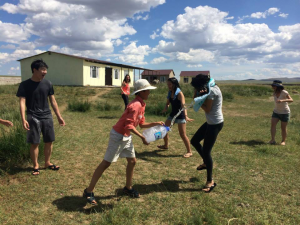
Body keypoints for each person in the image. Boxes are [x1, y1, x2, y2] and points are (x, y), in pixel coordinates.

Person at [83, 79, 164, 205]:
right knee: (106, 163)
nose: (149, 92)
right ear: (141, 92)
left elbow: (141, 125)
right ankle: (89, 191)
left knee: (132, 161)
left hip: (126, 137)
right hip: (118, 136)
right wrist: (142, 138)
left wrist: (156, 123)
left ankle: (128, 188)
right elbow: (129, 126)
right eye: (147, 90)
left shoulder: (142, 104)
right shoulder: (135, 105)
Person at [16, 59, 65, 176]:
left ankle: (47, 162)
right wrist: (23, 118)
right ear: (34, 70)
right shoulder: (24, 85)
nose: (45, 72)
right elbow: (22, 102)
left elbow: (53, 101)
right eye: (42, 69)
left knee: (49, 141)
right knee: (35, 142)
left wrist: (59, 116)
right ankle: (36, 165)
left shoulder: (48, 83)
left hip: (47, 115)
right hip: (33, 116)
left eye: (46, 70)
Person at [190, 74, 223, 193]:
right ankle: (205, 162)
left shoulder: (212, 91)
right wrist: (199, 95)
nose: (197, 90)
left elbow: (207, 109)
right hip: (210, 122)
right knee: (194, 141)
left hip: (215, 124)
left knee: (207, 151)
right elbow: (198, 96)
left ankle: (210, 181)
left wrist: (198, 100)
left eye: (197, 87)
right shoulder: (210, 88)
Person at [158, 77, 194, 158]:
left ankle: (189, 152)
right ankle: (166, 145)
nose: (168, 86)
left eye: (170, 84)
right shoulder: (170, 92)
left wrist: (186, 116)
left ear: (174, 84)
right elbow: (168, 103)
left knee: (182, 134)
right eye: (168, 84)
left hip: (180, 115)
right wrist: (165, 108)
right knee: (164, 129)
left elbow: (183, 106)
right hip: (172, 115)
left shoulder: (179, 93)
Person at [269, 80, 293, 146]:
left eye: (274, 86)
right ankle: (272, 140)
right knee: (273, 125)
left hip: (285, 112)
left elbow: (291, 100)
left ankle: (283, 141)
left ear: (278, 86)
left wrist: (282, 100)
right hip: (276, 111)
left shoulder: (284, 92)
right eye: (272, 85)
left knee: (283, 128)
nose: (272, 87)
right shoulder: (274, 92)